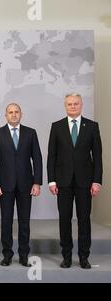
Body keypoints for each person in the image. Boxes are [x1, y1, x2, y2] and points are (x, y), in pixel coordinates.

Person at [47, 93, 102, 269]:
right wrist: (51, 181)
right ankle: (67, 256)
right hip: (62, 182)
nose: (72, 106)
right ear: (65, 106)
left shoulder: (92, 127)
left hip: (85, 182)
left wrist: (97, 181)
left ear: (81, 105)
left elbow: (98, 157)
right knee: (64, 219)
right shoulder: (57, 127)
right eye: (69, 104)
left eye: (75, 104)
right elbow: (51, 156)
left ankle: (84, 256)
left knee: (84, 219)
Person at [0, 103, 42, 267]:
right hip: (5, 185)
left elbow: (37, 159)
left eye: (16, 112)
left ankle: (24, 255)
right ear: (6, 115)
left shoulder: (30, 133)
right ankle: (7, 254)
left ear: (21, 114)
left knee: (24, 222)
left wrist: (37, 182)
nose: (13, 114)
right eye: (10, 112)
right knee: (6, 222)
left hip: (26, 184)